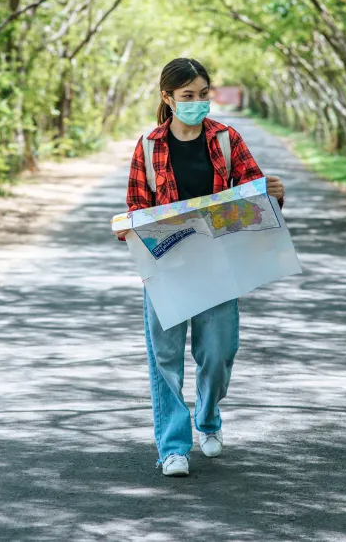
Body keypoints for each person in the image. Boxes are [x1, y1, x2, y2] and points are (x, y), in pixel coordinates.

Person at [115, 58, 285, 477]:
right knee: (165, 358)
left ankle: (208, 418)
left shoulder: (227, 140)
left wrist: (272, 192)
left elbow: (253, 198)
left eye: (202, 94)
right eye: (187, 96)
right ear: (167, 98)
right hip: (167, 265)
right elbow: (136, 207)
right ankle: (173, 446)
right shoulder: (150, 146)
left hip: (218, 265)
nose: (196, 103)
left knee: (219, 352)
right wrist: (133, 228)